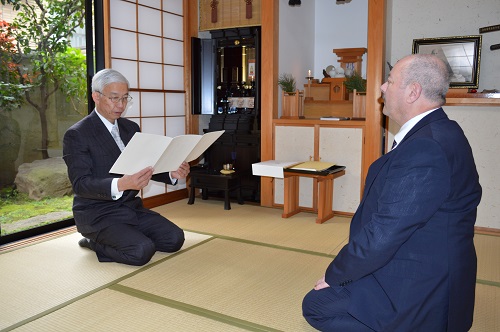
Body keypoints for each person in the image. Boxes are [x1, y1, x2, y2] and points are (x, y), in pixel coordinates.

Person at [302, 54, 482, 331]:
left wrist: (335, 275)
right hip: (427, 259)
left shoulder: (427, 148)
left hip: (420, 282)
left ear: (413, 92)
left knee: (316, 305)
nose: (383, 88)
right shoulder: (443, 130)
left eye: (389, 81)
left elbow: (384, 234)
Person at [63, 69, 189, 266]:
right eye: (114, 98)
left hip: (130, 207)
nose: (121, 105)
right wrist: (121, 184)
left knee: (174, 238)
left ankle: (129, 236)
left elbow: (146, 165)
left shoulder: (130, 128)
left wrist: (171, 173)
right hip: (97, 213)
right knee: (141, 251)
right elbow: (81, 184)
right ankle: (94, 241)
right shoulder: (77, 134)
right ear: (96, 96)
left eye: (125, 98)